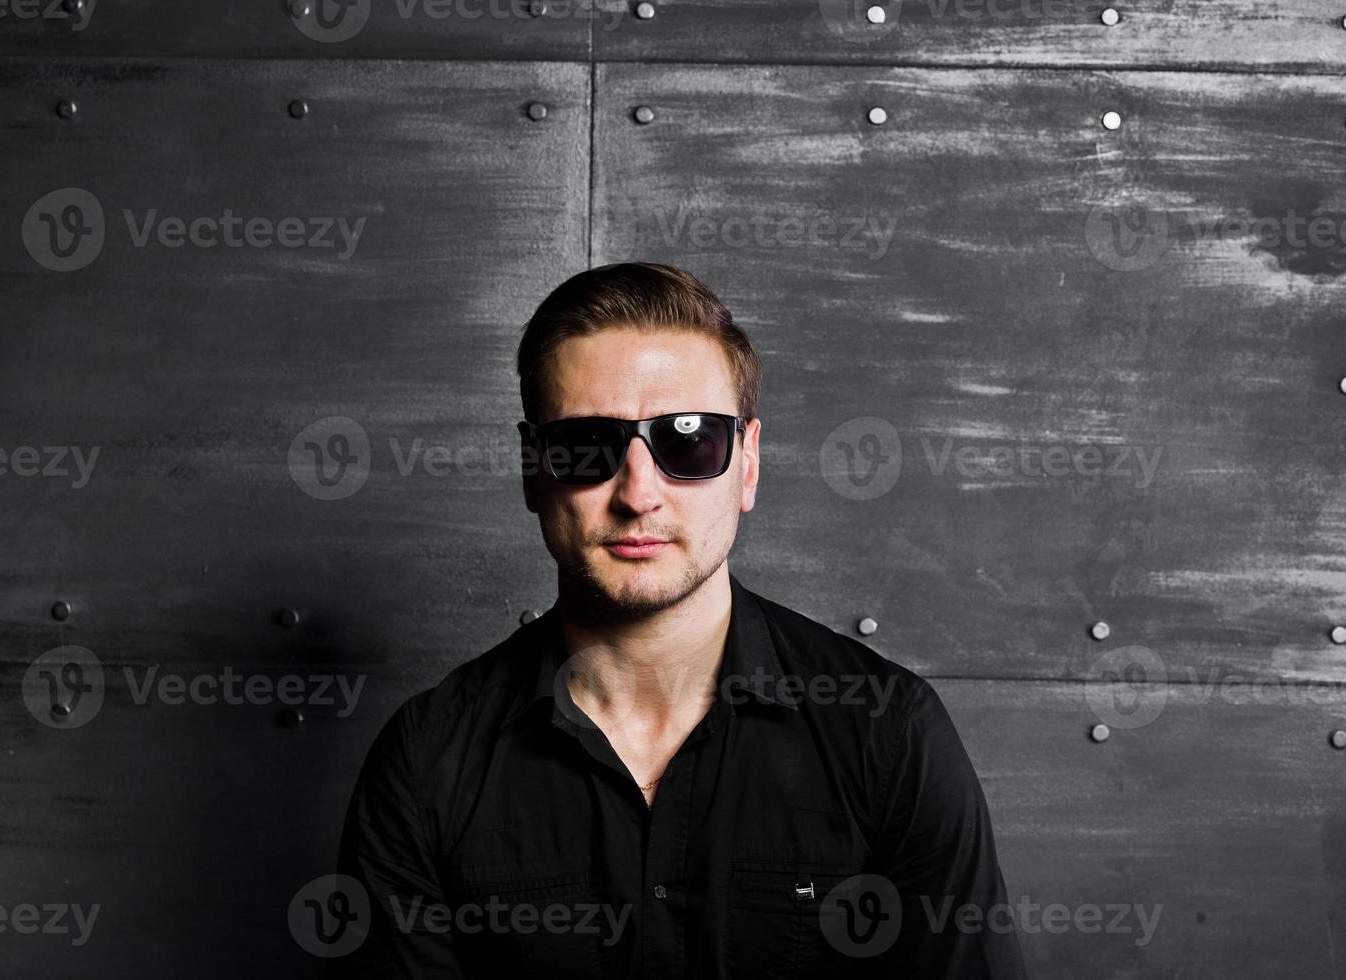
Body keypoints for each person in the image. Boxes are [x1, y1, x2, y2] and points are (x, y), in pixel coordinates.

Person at [326, 262, 1028, 978]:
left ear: (747, 464)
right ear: (532, 469)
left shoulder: (888, 735)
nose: (638, 493)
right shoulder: (426, 762)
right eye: (586, 446)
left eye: (688, 440)